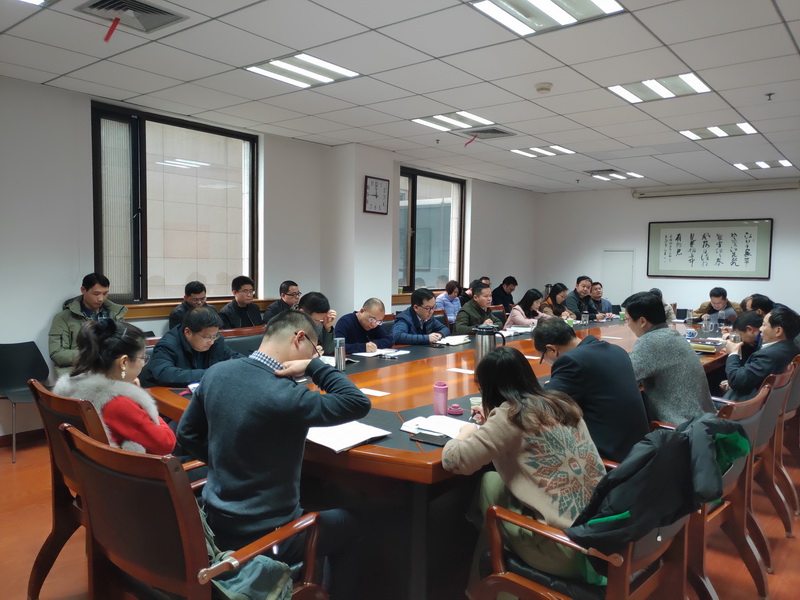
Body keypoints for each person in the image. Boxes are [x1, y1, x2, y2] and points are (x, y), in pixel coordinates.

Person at [177, 310, 371, 600]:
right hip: (267, 535)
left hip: (215, 522)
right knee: (351, 525)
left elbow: (187, 435)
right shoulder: (285, 394)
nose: (313, 355)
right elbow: (356, 402)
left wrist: (227, 462)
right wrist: (314, 366)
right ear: (299, 338)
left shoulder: (217, 373)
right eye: (313, 349)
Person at [442, 346, 605, 588]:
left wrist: (465, 432)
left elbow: (454, 460)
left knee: (490, 484)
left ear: (488, 388)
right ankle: (489, 583)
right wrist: (492, 423)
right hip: (601, 538)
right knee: (497, 483)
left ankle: (491, 583)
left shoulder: (509, 416)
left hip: (564, 550)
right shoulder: (560, 403)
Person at [533, 319, 648, 462]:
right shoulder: (617, 350)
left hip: (611, 457)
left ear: (551, 349)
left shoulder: (571, 361)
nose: (544, 362)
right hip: (640, 448)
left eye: (542, 358)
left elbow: (544, 405)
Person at [53, 319, 175, 454]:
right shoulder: (119, 403)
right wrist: (144, 405)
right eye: (143, 358)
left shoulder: (71, 385)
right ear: (124, 362)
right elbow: (167, 443)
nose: (143, 363)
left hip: (84, 462)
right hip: (129, 466)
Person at [622, 292, 715, 424]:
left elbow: (624, 379)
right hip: (703, 419)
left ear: (642, 321)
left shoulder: (650, 342)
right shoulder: (672, 334)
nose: (628, 324)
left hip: (680, 427)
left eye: (628, 320)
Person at [139, 306, 242, 388]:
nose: (211, 342)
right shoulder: (168, 344)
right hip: (172, 396)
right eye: (207, 337)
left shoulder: (216, 340)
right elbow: (163, 373)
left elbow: (235, 358)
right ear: (187, 332)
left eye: (215, 335)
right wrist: (211, 374)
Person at [49, 273, 128, 377]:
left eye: (105, 294)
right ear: (83, 290)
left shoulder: (115, 314)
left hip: (110, 370)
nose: (101, 299)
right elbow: (57, 354)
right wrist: (93, 354)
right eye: (96, 294)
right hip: (79, 371)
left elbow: (125, 343)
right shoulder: (63, 318)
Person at [721, 307, 800, 402]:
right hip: (770, 400)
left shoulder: (769, 355)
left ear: (778, 331)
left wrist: (733, 353)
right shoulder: (792, 347)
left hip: (745, 405)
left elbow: (736, 381)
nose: (760, 329)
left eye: (764, 325)